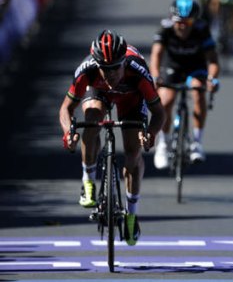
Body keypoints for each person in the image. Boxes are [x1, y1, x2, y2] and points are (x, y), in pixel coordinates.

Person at [59, 29, 165, 246]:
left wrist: (151, 134)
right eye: (105, 70)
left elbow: (159, 113)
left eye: (115, 69)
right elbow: (66, 108)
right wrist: (68, 132)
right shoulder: (86, 71)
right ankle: (88, 180)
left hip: (131, 98)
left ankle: (131, 215)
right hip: (98, 94)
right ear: (96, 64)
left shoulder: (138, 71)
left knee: (133, 153)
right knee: (91, 121)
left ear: (124, 62)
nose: (110, 75)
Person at [150, 0, 220, 169]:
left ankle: (197, 142)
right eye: (178, 22)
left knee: (198, 91)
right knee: (165, 101)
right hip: (171, 67)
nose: (182, 26)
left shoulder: (202, 29)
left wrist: (212, 79)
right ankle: (163, 144)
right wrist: (155, 76)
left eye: (187, 22)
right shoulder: (165, 29)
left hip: (195, 67)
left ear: (194, 21)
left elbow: (212, 60)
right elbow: (156, 55)